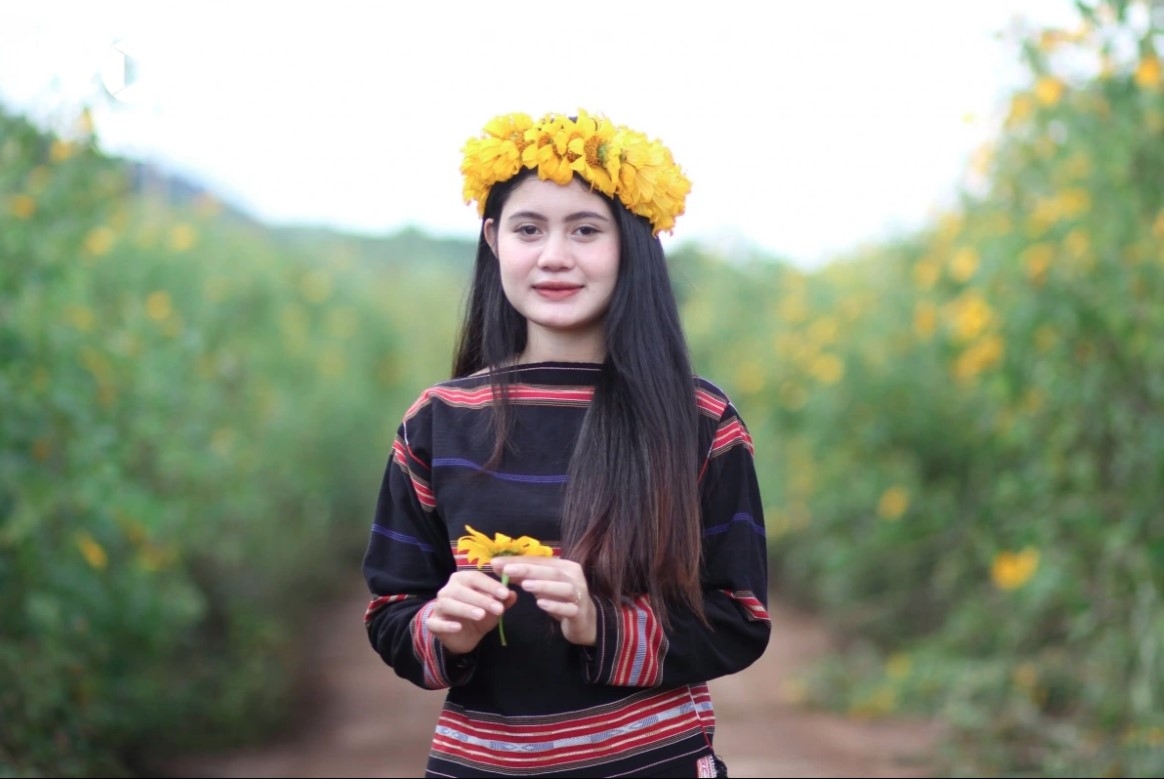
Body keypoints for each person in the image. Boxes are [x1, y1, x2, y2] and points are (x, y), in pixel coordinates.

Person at [361, 110, 771, 778]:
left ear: (631, 245)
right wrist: (445, 627)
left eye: (585, 229)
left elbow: (740, 617)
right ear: (493, 240)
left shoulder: (699, 420)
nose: (555, 255)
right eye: (529, 229)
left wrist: (598, 623)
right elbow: (390, 612)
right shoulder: (438, 420)